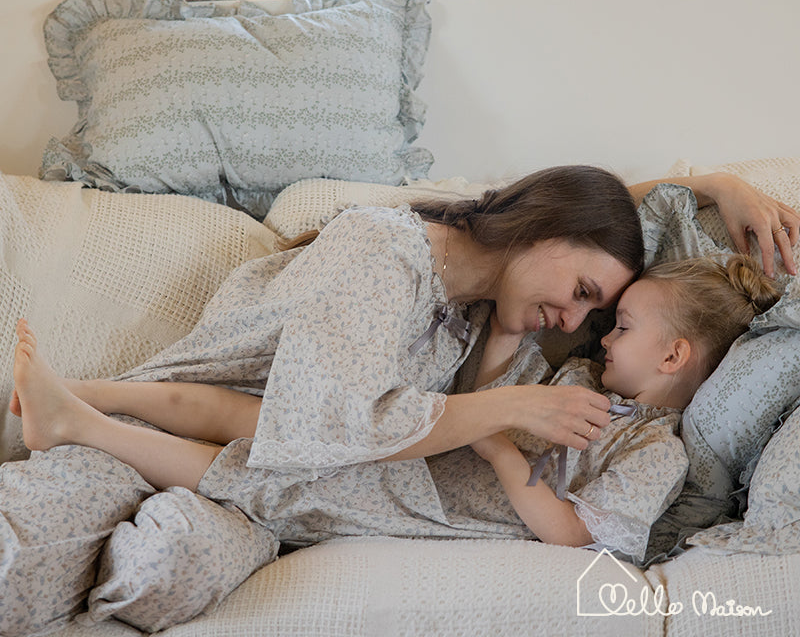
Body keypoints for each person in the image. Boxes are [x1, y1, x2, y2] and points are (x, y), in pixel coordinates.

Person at [2, 165, 799, 634]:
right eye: (587, 298)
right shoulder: (385, 251)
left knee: (166, 564)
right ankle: (69, 414)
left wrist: (709, 183)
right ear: (543, 229)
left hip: (270, 501)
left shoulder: (502, 331)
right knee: (21, 546)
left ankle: (69, 412)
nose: (581, 326)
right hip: (212, 430)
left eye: (599, 319)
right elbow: (322, 426)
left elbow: (625, 247)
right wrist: (503, 414)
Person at [470, 253, 780, 562]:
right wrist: (504, 331)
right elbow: (490, 397)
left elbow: (572, 533)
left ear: (671, 357)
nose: (604, 339)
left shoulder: (658, 452)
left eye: (622, 327)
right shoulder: (580, 377)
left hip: (462, 518)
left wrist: (500, 453)